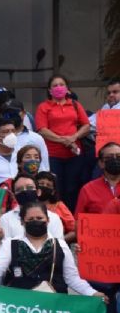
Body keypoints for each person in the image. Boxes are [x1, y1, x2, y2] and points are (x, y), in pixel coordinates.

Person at [73, 141, 120, 313]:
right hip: (102, 269)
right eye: (109, 157)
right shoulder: (88, 190)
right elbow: (82, 224)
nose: (115, 160)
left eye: (118, 156)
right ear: (100, 162)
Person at [36, 74, 91, 211]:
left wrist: (74, 137)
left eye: (62, 84)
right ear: (49, 90)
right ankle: (58, 218)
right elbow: (42, 130)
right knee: (56, 188)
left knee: (73, 188)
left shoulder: (75, 105)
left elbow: (86, 126)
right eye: (55, 85)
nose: (59, 87)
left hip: (74, 155)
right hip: (53, 155)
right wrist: (64, 140)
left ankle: (71, 218)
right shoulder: (44, 107)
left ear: (67, 88)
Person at [0, 174, 64, 241]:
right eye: (19, 189)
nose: (25, 191)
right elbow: (5, 247)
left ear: (38, 192)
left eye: (30, 187)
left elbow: (59, 247)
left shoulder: (53, 218)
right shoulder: (6, 219)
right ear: (14, 196)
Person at [6, 101, 50, 172]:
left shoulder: (36, 138)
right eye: (8, 113)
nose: (12, 115)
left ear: (24, 113)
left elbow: (44, 166)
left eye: (15, 112)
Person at [36, 171, 75, 242]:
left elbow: (74, 231)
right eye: (41, 184)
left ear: (53, 191)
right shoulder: (27, 205)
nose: (44, 186)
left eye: (48, 185)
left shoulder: (59, 206)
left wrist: (59, 241)